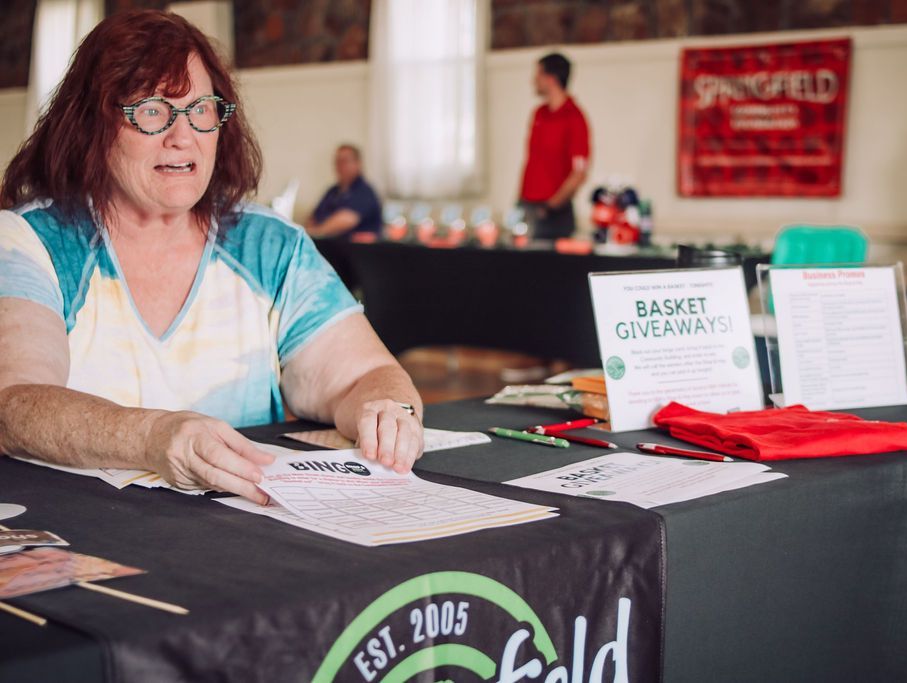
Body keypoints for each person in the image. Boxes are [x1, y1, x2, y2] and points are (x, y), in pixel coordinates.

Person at [0, 10, 424, 504]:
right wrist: (152, 437)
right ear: (93, 124)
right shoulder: (29, 241)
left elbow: (360, 375)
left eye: (201, 108)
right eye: (153, 110)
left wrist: (387, 408)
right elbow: (15, 403)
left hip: (251, 533)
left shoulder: (269, 245)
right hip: (87, 532)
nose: (183, 136)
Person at [519, 52, 591, 240]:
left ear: (550, 78)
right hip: (527, 206)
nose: (533, 81)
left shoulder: (574, 118)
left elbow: (579, 172)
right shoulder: (539, 114)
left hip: (553, 214)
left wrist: (551, 205)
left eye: (538, 75)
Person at [304, 144, 382, 241]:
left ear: (358, 163)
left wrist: (315, 232)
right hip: (328, 248)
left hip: (356, 251)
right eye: (337, 161)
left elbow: (345, 220)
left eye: (345, 161)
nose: (340, 166)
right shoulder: (332, 191)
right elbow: (313, 218)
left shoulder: (364, 192)